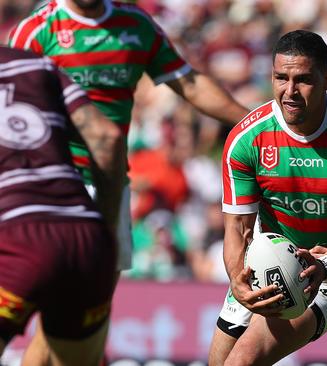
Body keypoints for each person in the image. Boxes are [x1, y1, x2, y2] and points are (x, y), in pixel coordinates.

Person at [8, 0, 248, 362]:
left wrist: (254, 124)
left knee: (88, 313)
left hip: (112, 185)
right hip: (57, 184)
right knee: (63, 310)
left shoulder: (135, 25)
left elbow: (191, 84)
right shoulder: (39, 29)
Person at [212, 30, 327, 365]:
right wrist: (238, 282)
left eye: (303, 80)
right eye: (281, 78)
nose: (290, 91)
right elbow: (237, 229)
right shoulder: (246, 139)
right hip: (265, 268)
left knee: (241, 362)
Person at [0, 46, 123, 365]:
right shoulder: (38, 63)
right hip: (85, 238)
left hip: (15, 236)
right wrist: (106, 228)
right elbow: (108, 137)